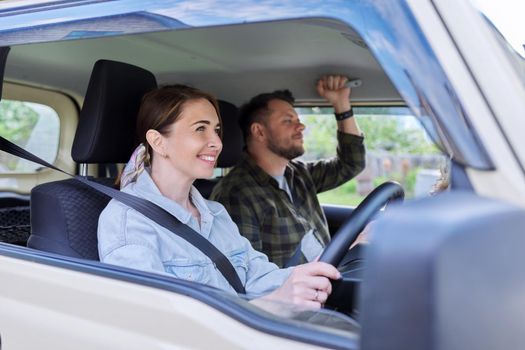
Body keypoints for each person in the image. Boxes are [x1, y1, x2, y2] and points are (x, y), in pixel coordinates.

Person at [97, 85, 341, 308]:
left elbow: (257, 275)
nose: (216, 142)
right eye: (200, 129)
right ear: (158, 142)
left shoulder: (214, 212)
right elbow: (160, 325)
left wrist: (307, 273)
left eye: (216, 130)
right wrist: (272, 305)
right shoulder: (129, 223)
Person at [210, 75, 366, 267]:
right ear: (259, 131)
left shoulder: (298, 174)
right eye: (288, 120)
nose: (301, 126)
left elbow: (351, 163)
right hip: (298, 294)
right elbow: (248, 274)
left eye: (298, 119)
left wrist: (341, 104)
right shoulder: (236, 194)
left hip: (329, 277)